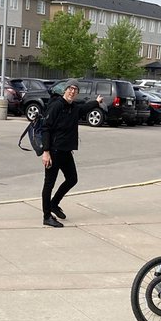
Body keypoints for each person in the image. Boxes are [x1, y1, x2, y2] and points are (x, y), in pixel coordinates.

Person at [39, 81, 103, 228]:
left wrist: (96, 102)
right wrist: (46, 152)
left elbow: (84, 109)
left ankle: (54, 203)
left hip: (66, 151)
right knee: (49, 183)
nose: (72, 91)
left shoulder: (73, 107)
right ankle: (47, 216)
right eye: (70, 88)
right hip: (53, 151)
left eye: (75, 90)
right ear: (65, 90)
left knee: (72, 179)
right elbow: (46, 128)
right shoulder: (56, 106)